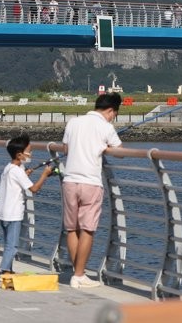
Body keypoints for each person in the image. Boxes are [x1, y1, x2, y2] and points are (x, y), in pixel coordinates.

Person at [62, 93, 123, 289]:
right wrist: (105, 147)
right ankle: (79, 275)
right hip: (91, 183)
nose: (113, 117)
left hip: (70, 180)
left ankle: (78, 273)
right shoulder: (106, 127)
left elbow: (65, 149)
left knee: (72, 228)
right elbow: (120, 152)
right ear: (110, 110)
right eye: (114, 114)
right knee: (88, 229)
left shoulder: (74, 122)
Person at [0, 135, 52, 274]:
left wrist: (25, 174)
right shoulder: (18, 171)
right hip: (14, 215)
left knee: (8, 244)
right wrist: (44, 175)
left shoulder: (9, 168)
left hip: (4, 214)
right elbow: (34, 189)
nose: (31, 154)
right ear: (19, 154)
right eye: (29, 151)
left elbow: (14, 182)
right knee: (13, 245)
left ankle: (8, 270)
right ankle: (5, 270)